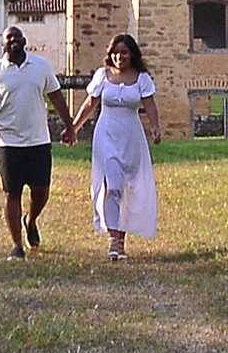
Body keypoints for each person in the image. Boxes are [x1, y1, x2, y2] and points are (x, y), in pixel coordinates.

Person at [0, 25, 70, 259]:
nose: (14, 40)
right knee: (12, 193)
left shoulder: (41, 66)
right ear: (2, 45)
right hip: (7, 141)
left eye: (17, 37)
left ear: (25, 41)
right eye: (8, 38)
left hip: (38, 140)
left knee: (41, 191)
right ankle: (17, 246)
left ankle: (31, 220)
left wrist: (70, 127)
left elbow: (56, 97)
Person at [65, 33, 159, 261]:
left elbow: (150, 105)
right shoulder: (102, 76)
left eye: (124, 52)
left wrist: (156, 128)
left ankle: (122, 241)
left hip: (131, 137)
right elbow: (90, 104)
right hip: (106, 135)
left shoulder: (142, 78)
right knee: (113, 185)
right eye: (116, 52)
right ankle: (113, 242)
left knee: (127, 187)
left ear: (132, 55)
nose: (119, 57)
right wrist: (74, 127)